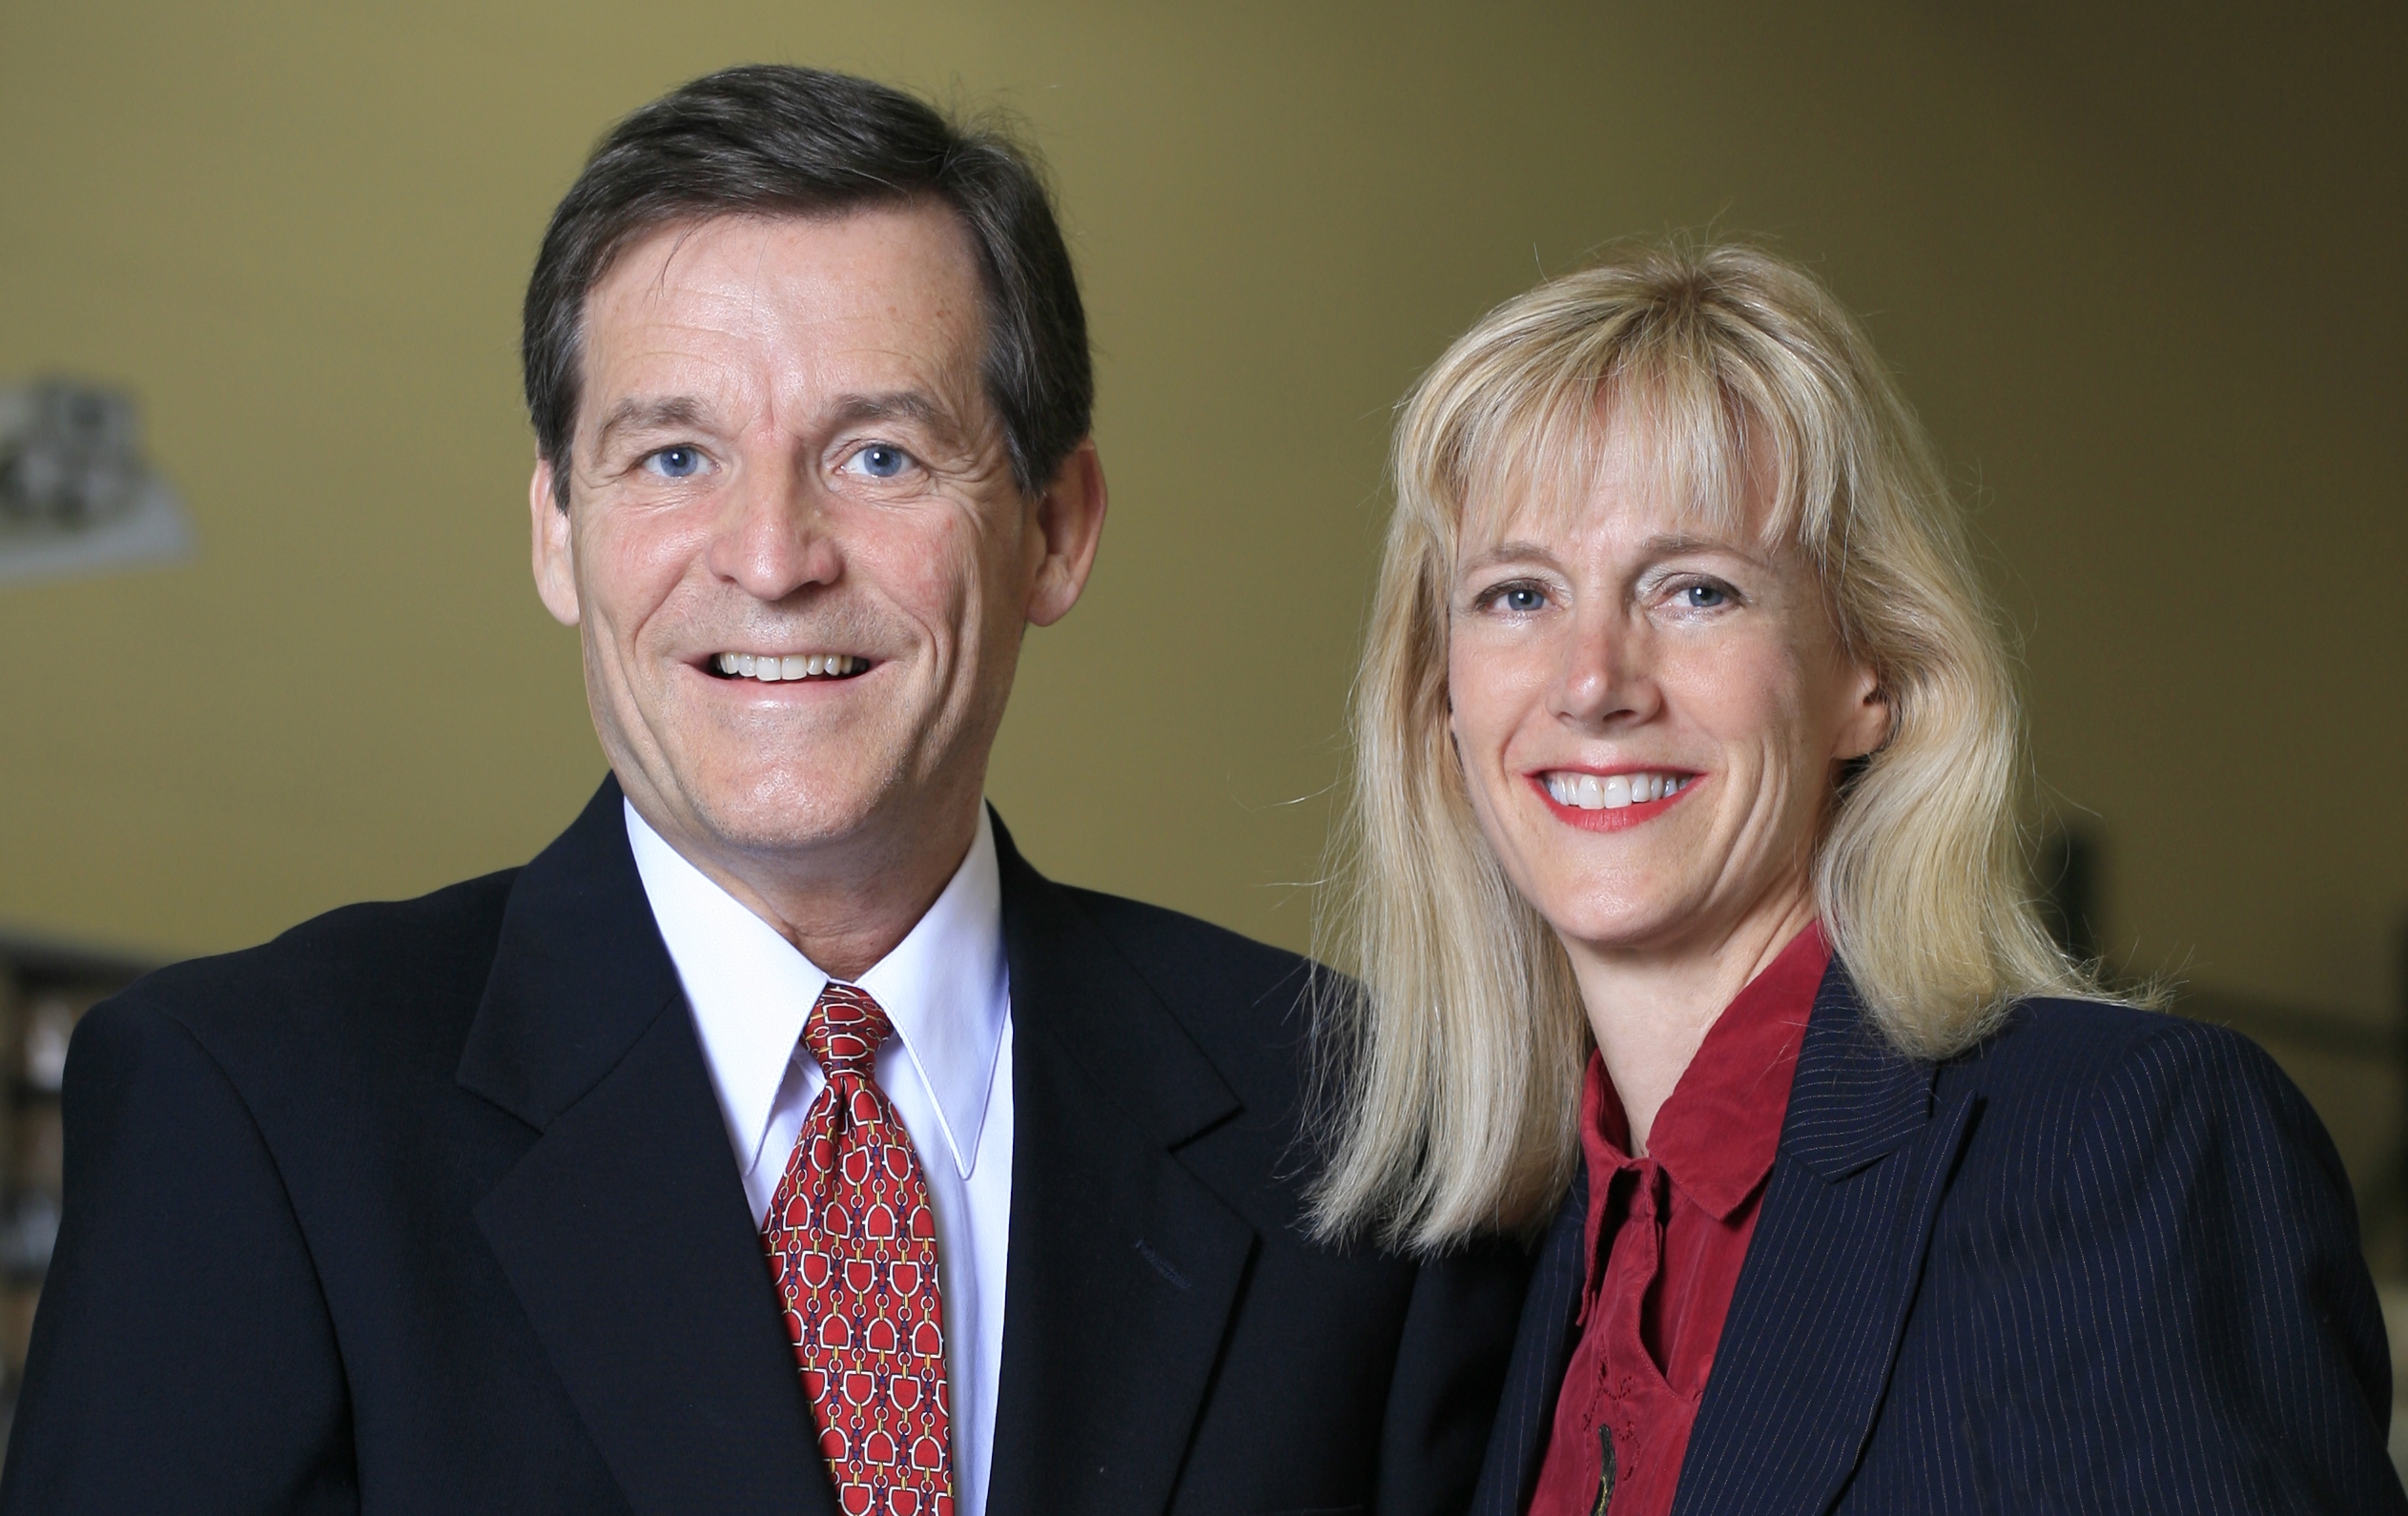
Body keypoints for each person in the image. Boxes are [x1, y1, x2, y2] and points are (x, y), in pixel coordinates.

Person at [0, 65, 1528, 1515]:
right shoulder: (256, 1112)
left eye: (878, 455)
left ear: (1056, 527)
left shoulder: (1356, 1123)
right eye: (675, 457)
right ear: (556, 532)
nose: (773, 557)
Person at [1309, 242, 2403, 1513]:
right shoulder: (1495, 1274)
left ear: (1867, 675)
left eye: (1695, 589)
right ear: (1441, 699)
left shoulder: (2122, 1148)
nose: (1593, 679)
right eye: (1516, 594)